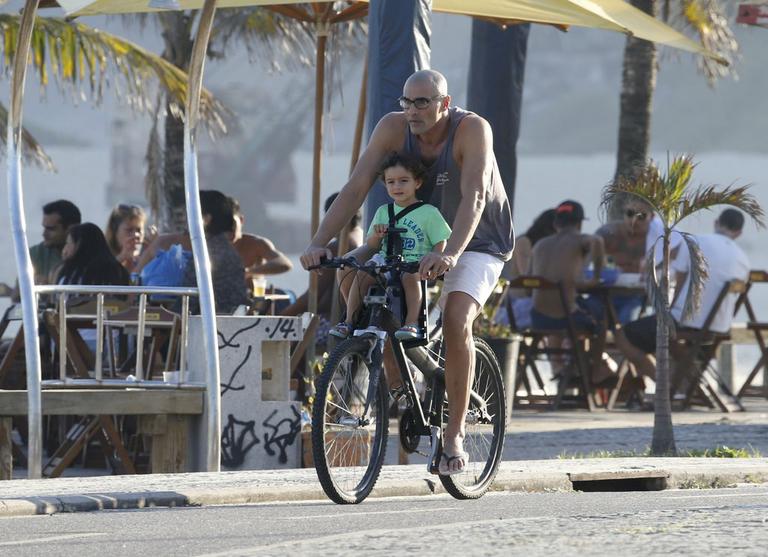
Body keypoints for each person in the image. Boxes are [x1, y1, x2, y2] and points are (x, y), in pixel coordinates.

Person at [300, 69, 514, 475]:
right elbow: (356, 186)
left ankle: (453, 437)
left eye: (422, 102)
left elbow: (476, 196)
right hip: (412, 243)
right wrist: (319, 242)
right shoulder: (393, 128)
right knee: (376, 306)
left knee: (455, 318)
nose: (412, 110)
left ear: (444, 104)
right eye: (406, 101)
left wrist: (450, 253)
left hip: (477, 242)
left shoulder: (471, 129)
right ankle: (404, 393)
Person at [616, 208, 750, 381]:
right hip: (718, 326)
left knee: (622, 335)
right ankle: (686, 386)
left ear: (716, 222)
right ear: (738, 233)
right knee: (675, 344)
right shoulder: (743, 259)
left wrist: (667, 311)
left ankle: (666, 383)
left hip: (685, 321)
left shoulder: (695, 242)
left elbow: (679, 282)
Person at [330, 152, 451, 340]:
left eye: (403, 181)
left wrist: (435, 258)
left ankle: (412, 323)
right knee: (364, 272)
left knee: (411, 278)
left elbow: (440, 240)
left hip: (414, 263)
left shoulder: (429, 213)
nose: (397, 186)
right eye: (391, 182)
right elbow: (372, 245)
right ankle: (350, 321)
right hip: (386, 260)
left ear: (417, 183)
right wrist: (377, 235)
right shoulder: (383, 211)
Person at [529, 200, 614, 386]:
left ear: (555, 223)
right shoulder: (578, 240)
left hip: (537, 317)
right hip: (566, 317)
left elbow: (533, 277)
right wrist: (596, 277)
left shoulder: (540, 245)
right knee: (601, 315)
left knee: (580, 310)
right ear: (579, 223)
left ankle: (568, 369)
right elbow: (597, 240)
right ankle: (595, 369)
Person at [178, 190, 249, 314]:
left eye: (189, 213)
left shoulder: (206, 253)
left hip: (210, 324)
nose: (184, 218)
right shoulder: (223, 247)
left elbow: (188, 301)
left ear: (206, 219)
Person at [499, 208, 556, 329]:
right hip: (520, 300)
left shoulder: (550, 246)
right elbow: (526, 275)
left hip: (539, 298)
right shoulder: (524, 242)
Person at [230, 198, 293, 279]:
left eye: (232, 224)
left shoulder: (256, 244)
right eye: (223, 227)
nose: (229, 231)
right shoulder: (211, 247)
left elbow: (284, 263)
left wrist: (248, 272)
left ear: (241, 220)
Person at [56, 223, 129, 286]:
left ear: (79, 245)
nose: (64, 249)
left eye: (68, 243)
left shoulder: (70, 274)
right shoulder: (119, 271)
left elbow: (57, 298)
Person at [105, 203, 153, 272]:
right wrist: (121, 257)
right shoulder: (102, 257)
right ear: (115, 232)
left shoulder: (148, 257)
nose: (136, 235)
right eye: (129, 230)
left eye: (139, 230)